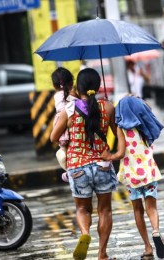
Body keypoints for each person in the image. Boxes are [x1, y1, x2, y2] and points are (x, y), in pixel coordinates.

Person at [50, 68, 117, 260]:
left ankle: (85, 234)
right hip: (102, 164)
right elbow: (117, 132)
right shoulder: (108, 107)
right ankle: (102, 254)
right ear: (98, 86)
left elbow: (53, 137)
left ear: (77, 88)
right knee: (104, 210)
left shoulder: (68, 110)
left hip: (78, 166)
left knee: (82, 209)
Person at [101, 96, 164, 259]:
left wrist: (109, 156)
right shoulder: (145, 126)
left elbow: (121, 153)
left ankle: (147, 247)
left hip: (132, 176)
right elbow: (147, 108)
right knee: (151, 207)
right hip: (148, 172)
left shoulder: (121, 129)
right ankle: (156, 230)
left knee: (138, 210)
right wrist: (138, 101)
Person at [51, 67, 79, 182]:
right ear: (72, 83)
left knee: (63, 149)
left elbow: (53, 138)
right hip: (69, 120)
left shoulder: (57, 96)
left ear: (54, 86)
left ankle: (68, 171)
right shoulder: (74, 96)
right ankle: (69, 171)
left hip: (60, 122)